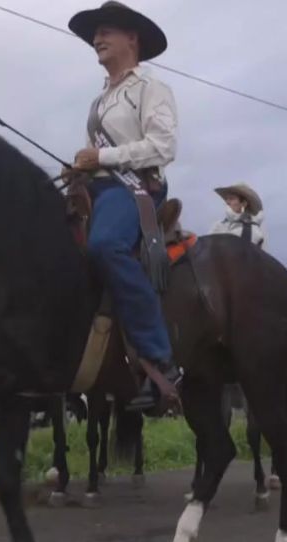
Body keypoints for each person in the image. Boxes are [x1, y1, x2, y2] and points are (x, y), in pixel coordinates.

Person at [68, 1, 180, 411]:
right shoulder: (99, 103)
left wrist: (102, 160)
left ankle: (158, 358)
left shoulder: (150, 89)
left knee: (105, 246)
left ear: (131, 39)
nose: (97, 38)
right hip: (97, 188)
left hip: (135, 190)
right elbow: (96, 156)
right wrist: (79, 167)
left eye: (106, 31)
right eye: (95, 33)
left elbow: (163, 147)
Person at [209, 183, 265, 247]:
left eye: (231, 198)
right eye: (227, 199)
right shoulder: (218, 225)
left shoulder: (254, 229)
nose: (227, 202)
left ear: (243, 203)